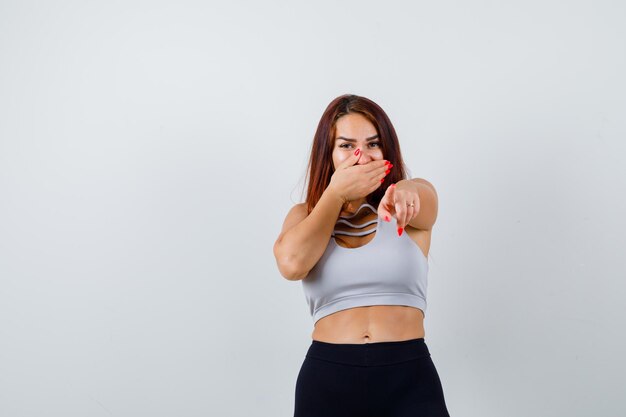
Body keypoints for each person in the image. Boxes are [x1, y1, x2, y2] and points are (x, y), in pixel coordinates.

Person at [273, 94, 451, 417]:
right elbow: (291, 263)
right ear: (328, 155)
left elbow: (427, 200)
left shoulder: (407, 206)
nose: (362, 156)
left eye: (373, 144)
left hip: (409, 378)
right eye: (346, 146)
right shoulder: (306, 215)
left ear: (387, 150)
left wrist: (408, 189)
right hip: (327, 381)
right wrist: (336, 194)